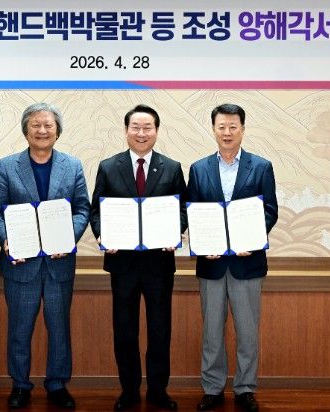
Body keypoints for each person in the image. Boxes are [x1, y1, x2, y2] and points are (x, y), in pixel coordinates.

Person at [0, 102, 90, 410]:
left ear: (57, 131)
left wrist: (68, 238)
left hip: (59, 262)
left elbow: (82, 208)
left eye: (48, 125)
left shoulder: (72, 165)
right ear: (26, 130)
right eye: (35, 125)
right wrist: (6, 240)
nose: (42, 130)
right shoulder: (7, 166)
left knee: (59, 328)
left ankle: (57, 385)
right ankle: (20, 385)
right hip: (21, 263)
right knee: (19, 329)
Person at [90, 104, 187, 411]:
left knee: (160, 330)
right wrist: (102, 234)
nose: (141, 133)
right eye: (136, 127)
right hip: (123, 264)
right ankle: (129, 390)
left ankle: (158, 390)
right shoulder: (109, 166)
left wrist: (176, 230)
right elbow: (96, 210)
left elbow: (183, 209)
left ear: (156, 131)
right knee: (125, 330)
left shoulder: (172, 167)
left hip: (159, 264)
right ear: (126, 130)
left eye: (147, 128)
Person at [187, 104, 278, 412]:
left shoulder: (261, 166)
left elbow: (269, 211)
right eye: (221, 127)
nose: (227, 133)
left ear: (242, 129)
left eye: (233, 127)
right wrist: (202, 244)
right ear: (214, 129)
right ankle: (212, 389)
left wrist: (251, 239)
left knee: (248, 331)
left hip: (247, 262)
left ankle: (245, 388)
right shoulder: (198, 169)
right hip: (211, 263)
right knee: (212, 331)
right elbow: (193, 212)